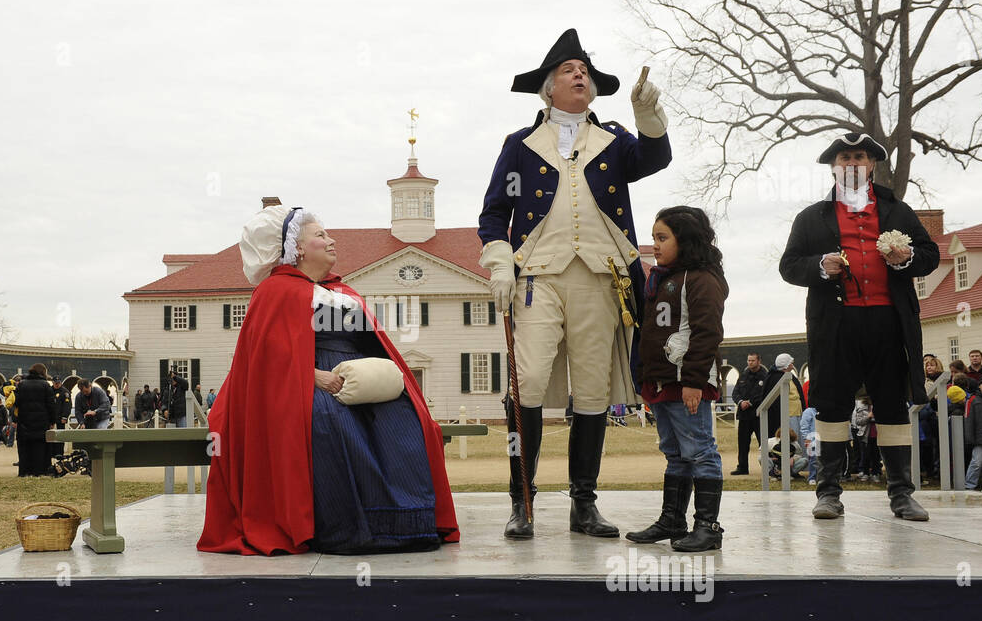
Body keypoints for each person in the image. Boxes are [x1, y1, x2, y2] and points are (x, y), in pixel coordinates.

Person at [477, 28, 672, 540]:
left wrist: (648, 116)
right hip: (538, 278)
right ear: (548, 87)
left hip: (601, 277)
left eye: (584, 69)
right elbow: (495, 213)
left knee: (592, 391)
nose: (579, 74)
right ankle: (523, 501)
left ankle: (583, 504)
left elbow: (654, 160)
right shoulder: (519, 147)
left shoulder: (612, 139)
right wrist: (501, 263)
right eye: (568, 69)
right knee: (528, 386)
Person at [199, 205, 459, 555]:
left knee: (407, 418)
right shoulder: (276, 291)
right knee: (327, 420)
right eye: (320, 235)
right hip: (309, 380)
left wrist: (385, 377)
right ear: (298, 248)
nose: (331, 239)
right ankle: (348, 527)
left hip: (359, 375)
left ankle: (407, 522)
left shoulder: (343, 292)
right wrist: (312, 376)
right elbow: (264, 357)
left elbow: (372, 342)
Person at [779, 132, 940, 521]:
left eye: (860, 157)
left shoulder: (898, 211)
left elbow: (930, 255)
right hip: (836, 325)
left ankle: (901, 493)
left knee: (892, 406)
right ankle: (829, 492)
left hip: (888, 322)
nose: (852, 163)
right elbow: (789, 266)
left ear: (871, 165)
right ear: (834, 167)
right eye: (845, 157)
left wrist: (906, 258)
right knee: (832, 407)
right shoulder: (811, 217)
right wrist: (820, 266)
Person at [625, 207, 728, 551]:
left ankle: (708, 526)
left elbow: (707, 332)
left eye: (662, 237)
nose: (655, 245)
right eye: (654, 237)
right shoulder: (662, 279)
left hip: (688, 383)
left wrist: (695, 380)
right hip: (663, 382)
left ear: (686, 239)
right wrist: (645, 379)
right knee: (675, 453)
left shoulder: (701, 279)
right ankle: (673, 519)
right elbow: (651, 334)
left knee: (699, 451)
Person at [13, 363, 58, 476]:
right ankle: (40, 472)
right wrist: (52, 421)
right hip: (41, 423)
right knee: (40, 449)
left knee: (25, 449)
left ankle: (24, 472)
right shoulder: (45, 385)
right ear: (43, 373)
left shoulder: (21, 384)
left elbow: (16, 404)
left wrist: (16, 419)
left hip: (24, 423)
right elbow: (51, 405)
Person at [730, 352, 768, 475]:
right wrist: (741, 402)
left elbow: (764, 394)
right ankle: (742, 467)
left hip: (758, 415)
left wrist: (750, 402)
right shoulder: (743, 375)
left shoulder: (765, 376)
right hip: (744, 415)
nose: (750, 362)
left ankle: (768, 468)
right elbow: (735, 392)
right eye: (748, 360)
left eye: (752, 360)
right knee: (743, 443)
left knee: (764, 443)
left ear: (759, 361)